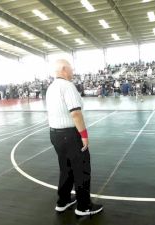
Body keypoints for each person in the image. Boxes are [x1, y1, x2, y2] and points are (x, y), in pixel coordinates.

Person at [46, 59, 103, 216]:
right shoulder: (67, 86)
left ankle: (63, 201)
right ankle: (83, 207)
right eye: (71, 68)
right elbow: (75, 113)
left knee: (66, 168)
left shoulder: (51, 87)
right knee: (82, 169)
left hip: (55, 134)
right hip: (70, 135)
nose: (73, 71)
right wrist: (83, 135)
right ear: (64, 69)